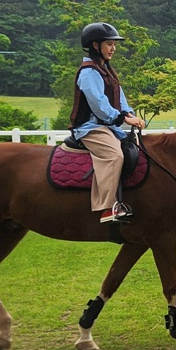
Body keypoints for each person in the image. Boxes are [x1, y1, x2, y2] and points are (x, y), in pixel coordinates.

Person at [69, 22, 146, 223]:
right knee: (114, 155)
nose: (113, 48)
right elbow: (99, 105)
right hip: (91, 128)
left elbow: (120, 99)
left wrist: (130, 114)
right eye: (109, 44)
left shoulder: (107, 71)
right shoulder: (88, 72)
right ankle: (107, 208)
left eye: (114, 44)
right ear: (95, 46)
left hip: (108, 126)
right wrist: (122, 118)